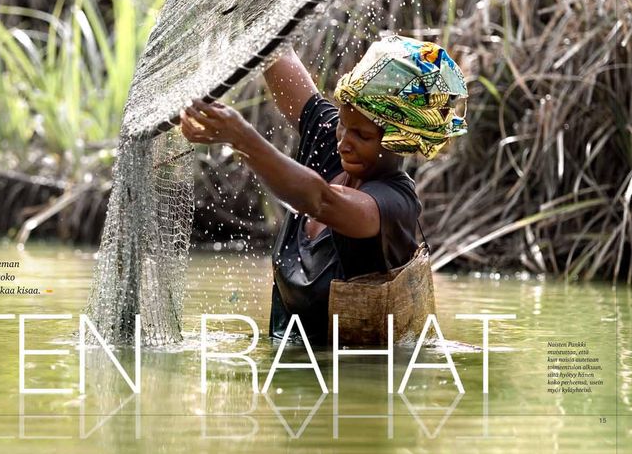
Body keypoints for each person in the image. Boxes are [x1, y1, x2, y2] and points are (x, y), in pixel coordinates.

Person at [179, 35, 468, 345]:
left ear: (399, 140)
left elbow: (322, 200)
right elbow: (278, 55)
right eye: (343, 124)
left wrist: (242, 138)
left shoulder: (394, 203)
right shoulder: (331, 146)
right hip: (292, 367)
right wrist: (255, 11)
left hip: (359, 382)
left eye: (362, 135)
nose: (343, 141)